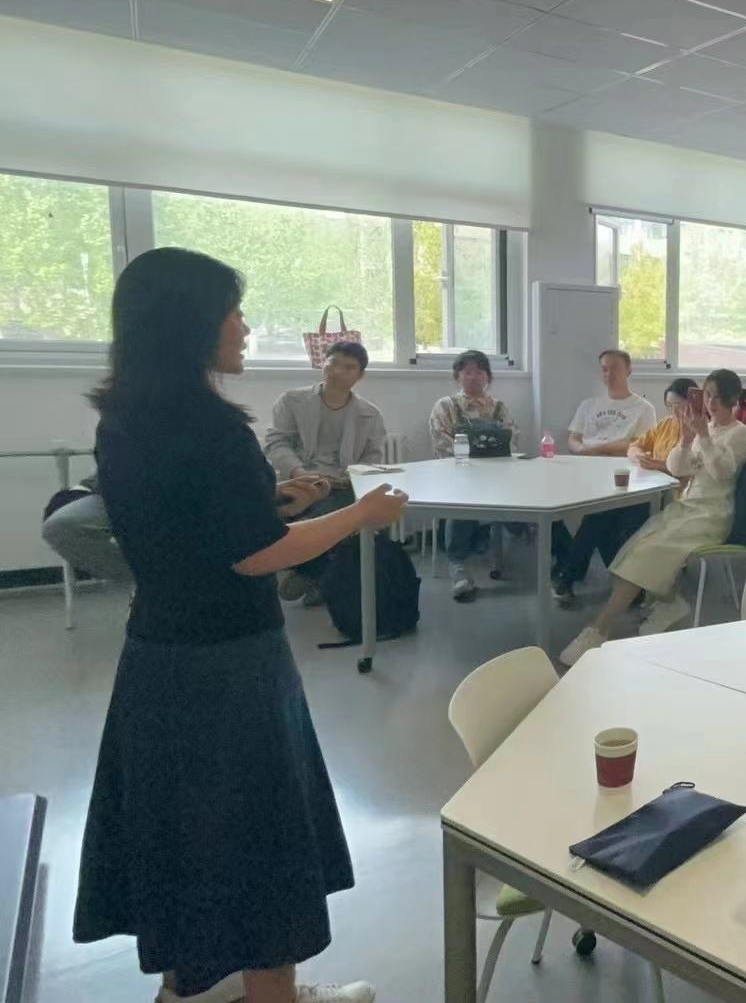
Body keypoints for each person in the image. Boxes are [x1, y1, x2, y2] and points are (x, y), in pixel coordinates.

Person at [75, 247, 408, 1003]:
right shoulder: (211, 426)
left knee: (185, 837)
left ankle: (188, 988)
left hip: (157, 651)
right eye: (233, 312)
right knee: (262, 841)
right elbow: (256, 555)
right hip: (229, 661)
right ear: (191, 323)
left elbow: (187, 524)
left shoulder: (126, 417)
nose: (246, 327)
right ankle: (272, 994)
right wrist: (360, 513)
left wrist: (274, 498)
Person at [560, 369, 746, 664]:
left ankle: (598, 629)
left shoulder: (740, 432)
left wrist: (702, 435)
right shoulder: (707, 428)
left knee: (647, 552)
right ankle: (669, 601)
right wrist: (686, 441)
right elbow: (678, 469)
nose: (711, 403)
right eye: (707, 396)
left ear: (731, 398)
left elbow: (722, 472)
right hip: (687, 507)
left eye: (717, 397)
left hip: (712, 514)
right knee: (635, 546)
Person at [262, 341, 387, 606]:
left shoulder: (370, 414)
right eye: (333, 363)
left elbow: (372, 459)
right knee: (267, 510)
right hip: (297, 479)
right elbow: (276, 442)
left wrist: (347, 477)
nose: (338, 371)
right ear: (323, 364)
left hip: (342, 485)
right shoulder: (292, 401)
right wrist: (299, 472)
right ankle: (317, 573)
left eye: (349, 367)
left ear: (360, 375)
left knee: (329, 511)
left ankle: (310, 572)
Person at [549, 349, 660, 605]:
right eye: (604, 369)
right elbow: (573, 439)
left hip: (623, 475)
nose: (608, 374)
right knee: (596, 519)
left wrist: (596, 448)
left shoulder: (643, 408)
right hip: (586, 472)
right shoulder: (589, 405)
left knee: (598, 518)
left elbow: (638, 444)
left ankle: (569, 574)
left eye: (615, 368)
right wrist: (581, 449)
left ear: (628, 370)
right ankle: (625, 584)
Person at [427, 349, 518, 602]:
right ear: (457, 376)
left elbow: (513, 439)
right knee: (463, 496)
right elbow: (440, 442)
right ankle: (457, 567)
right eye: (467, 371)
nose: (474, 376)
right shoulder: (446, 406)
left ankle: (548, 561)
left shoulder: (499, 407)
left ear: (487, 376)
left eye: (479, 371)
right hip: (457, 473)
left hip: (498, 475)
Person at [627, 377, 698, 480]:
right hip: (656, 480)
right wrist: (640, 457)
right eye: (670, 406)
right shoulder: (665, 424)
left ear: (693, 402)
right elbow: (635, 446)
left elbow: (697, 469)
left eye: (678, 405)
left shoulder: (703, 428)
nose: (674, 411)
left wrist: (664, 466)